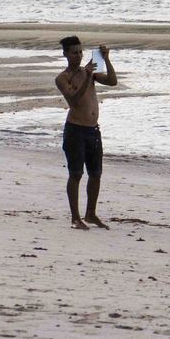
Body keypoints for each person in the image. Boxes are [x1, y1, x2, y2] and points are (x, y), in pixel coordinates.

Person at [55, 36, 117, 229]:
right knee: (76, 174)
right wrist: (88, 77)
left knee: (96, 173)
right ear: (65, 54)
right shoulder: (63, 77)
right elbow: (73, 100)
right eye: (74, 53)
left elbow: (112, 81)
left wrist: (106, 59)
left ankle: (91, 213)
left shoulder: (88, 71)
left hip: (93, 130)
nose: (79, 56)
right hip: (75, 130)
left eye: (81, 52)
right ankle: (75, 218)